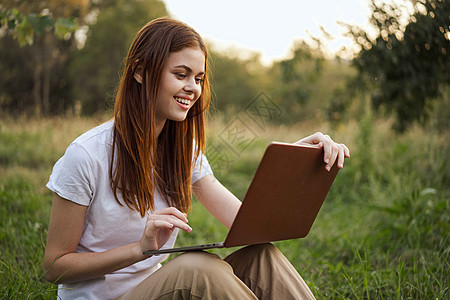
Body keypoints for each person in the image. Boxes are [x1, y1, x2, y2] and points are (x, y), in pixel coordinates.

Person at [43, 17, 350, 300]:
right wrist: (140, 249)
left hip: (152, 287)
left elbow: (246, 223)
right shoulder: (86, 155)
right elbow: (55, 266)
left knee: (262, 256)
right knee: (196, 269)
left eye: (199, 78)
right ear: (139, 71)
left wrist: (295, 158)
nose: (192, 88)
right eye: (181, 74)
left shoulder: (182, 151)